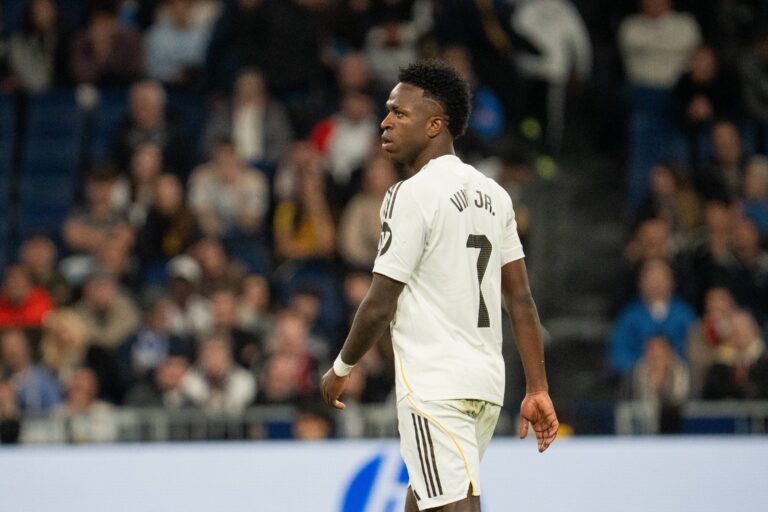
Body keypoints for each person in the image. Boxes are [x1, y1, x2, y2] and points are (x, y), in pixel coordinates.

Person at [320, 60, 558, 512]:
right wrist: (538, 387)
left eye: (398, 113)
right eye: (387, 112)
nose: (385, 122)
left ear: (435, 125)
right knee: (430, 496)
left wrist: (342, 368)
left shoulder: (410, 194)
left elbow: (379, 303)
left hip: (435, 385)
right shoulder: (494, 195)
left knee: (454, 505)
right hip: (486, 384)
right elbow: (520, 299)